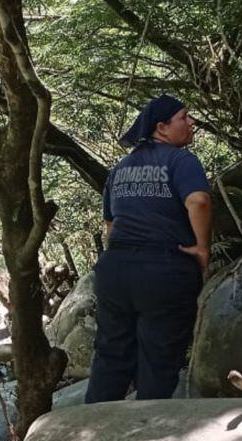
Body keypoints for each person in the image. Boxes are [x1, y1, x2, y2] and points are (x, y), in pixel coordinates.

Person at [84, 94, 213, 403]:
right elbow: (199, 201)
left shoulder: (119, 169)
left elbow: (111, 225)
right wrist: (202, 249)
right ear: (162, 127)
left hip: (115, 271)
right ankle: (148, 427)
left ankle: (91, 425)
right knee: (159, 358)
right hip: (163, 270)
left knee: (111, 356)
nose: (192, 122)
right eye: (184, 117)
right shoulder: (181, 160)